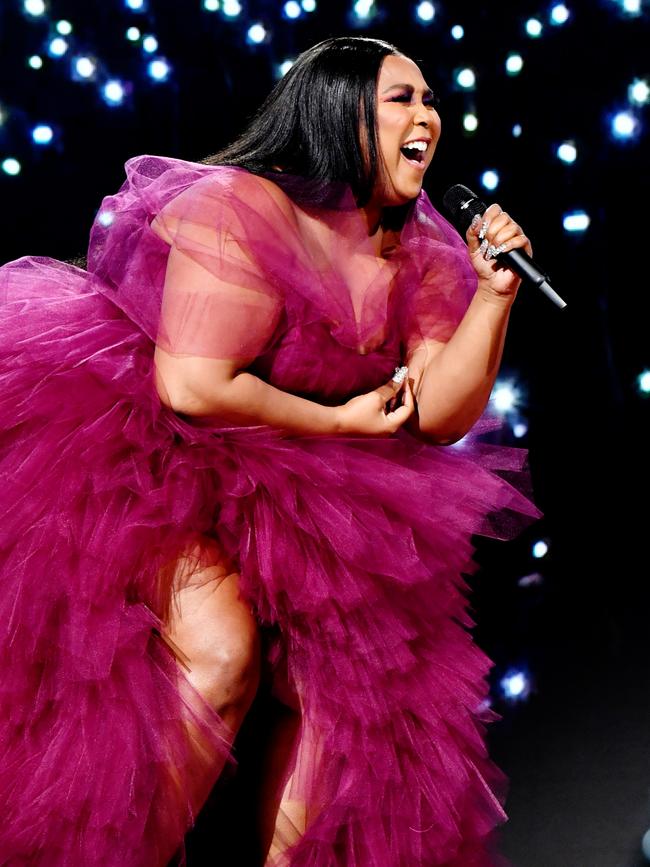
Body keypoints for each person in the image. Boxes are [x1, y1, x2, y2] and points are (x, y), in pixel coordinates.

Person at [0, 36, 539, 866]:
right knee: (222, 650)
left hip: (291, 481)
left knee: (352, 700)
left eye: (431, 100)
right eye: (403, 98)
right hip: (146, 450)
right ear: (338, 109)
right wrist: (345, 424)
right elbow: (191, 386)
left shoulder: (421, 245)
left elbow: (436, 414)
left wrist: (493, 298)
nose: (428, 115)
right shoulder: (245, 206)